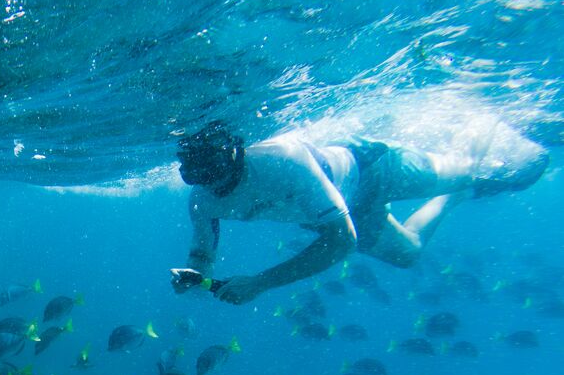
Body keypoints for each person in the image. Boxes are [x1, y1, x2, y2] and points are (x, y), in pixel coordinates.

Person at [170, 120, 549, 304]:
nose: (215, 186)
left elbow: (342, 240)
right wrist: (197, 275)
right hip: (342, 208)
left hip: (374, 171)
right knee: (409, 253)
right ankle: (458, 197)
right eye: (200, 177)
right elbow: (203, 251)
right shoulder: (204, 200)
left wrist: (260, 282)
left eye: (218, 173)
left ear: (236, 154)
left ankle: (482, 113)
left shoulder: (283, 160)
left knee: (463, 166)